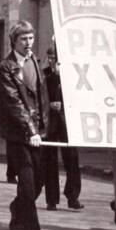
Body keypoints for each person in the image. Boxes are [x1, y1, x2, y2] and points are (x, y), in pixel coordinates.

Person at [0, 20, 48, 230]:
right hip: (19, 133)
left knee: (39, 182)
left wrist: (43, 128)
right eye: (23, 39)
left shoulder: (35, 63)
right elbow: (14, 103)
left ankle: (17, 209)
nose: (28, 43)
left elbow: (41, 97)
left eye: (30, 38)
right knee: (27, 181)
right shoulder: (7, 67)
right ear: (14, 42)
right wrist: (30, 130)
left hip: (40, 132)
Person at [41, 42, 83, 212]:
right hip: (50, 122)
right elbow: (41, 96)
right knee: (50, 160)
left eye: (55, 59)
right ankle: (51, 199)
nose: (52, 61)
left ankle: (73, 196)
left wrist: (63, 105)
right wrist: (50, 106)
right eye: (50, 58)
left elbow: (78, 97)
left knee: (72, 159)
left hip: (67, 121)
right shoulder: (45, 75)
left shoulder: (72, 76)